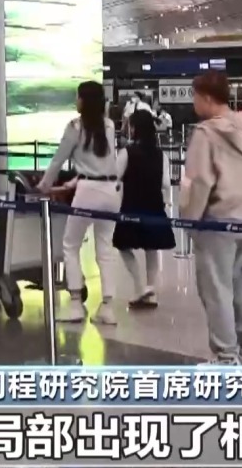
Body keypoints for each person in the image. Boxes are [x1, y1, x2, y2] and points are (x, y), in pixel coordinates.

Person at [180, 71, 242, 365]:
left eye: (195, 97)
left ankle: (226, 355)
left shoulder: (205, 133)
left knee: (216, 289)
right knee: (234, 278)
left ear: (207, 98)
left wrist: (190, 222)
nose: (194, 103)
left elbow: (199, 183)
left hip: (217, 222)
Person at [39, 82, 127, 325]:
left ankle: (76, 303)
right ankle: (107, 307)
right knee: (105, 248)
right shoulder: (109, 125)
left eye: (78, 96)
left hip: (88, 191)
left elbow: (58, 160)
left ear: (84, 101)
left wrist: (45, 185)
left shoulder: (74, 127)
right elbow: (102, 161)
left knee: (70, 245)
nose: (76, 100)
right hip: (111, 192)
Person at [113, 109, 175, 310]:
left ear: (134, 128)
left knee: (123, 245)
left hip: (131, 206)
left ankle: (140, 286)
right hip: (154, 206)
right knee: (151, 249)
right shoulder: (161, 155)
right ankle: (151, 292)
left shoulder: (126, 153)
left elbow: (115, 177)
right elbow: (166, 183)